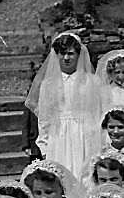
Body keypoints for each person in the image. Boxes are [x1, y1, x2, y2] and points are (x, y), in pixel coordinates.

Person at [25, 32, 103, 178]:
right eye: (62, 53)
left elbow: (98, 114)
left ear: (79, 55)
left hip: (85, 136)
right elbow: (44, 119)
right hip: (59, 137)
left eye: (70, 53)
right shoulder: (48, 85)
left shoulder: (92, 82)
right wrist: (45, 146)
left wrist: (98, 144)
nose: (66, 58)